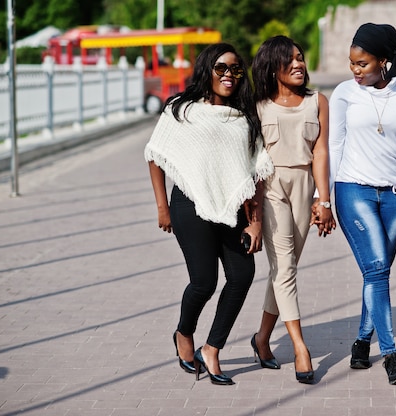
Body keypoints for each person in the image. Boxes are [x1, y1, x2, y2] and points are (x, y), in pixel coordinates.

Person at [145, 43, 274, 386]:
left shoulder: (244, 117)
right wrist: (162, 207)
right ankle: (184, 333)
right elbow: (155, 156)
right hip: (188, 204)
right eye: (221, 68)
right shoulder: (181, 110)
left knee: (243, 274)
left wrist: (256, 219)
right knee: (204, 282)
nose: (229, 75)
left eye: (235, 69)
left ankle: (212, 348)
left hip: (232, 208)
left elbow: (256, 171)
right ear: (207, 69)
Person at [329, 23, 396, 385]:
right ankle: (391, 355)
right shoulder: (344, 94)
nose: (354, 70)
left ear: (384, 61)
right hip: (353, 190)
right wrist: (323, 198)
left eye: (362, 63)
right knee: (376, 269)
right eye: (352, 63)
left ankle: (360, 341)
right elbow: (334, 146)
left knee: (379, 271)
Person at [250, 35, 336, 384]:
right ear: (273, 66)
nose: (299, 64)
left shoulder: (318, 101)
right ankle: (301, 348)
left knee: (284, 268)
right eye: (291, 60)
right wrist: (253, 215)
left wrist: (323, 199)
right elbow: (251, 161)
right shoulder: (256, 106)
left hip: (305, 186)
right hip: (269, 186)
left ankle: (262, 338)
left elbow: (321, 152)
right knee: (284, 267)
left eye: (301, 58)